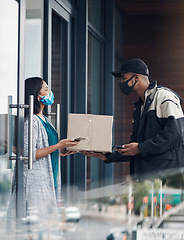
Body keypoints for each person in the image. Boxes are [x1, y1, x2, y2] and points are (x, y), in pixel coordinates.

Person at [82, 58, 184, 176]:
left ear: (136, 78)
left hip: (166, 179)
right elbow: (135, 149)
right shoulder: (139, 108)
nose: (121, 82)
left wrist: (141, 148)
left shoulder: (163, 96)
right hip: (145, 179)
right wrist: (106, 156)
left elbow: (176, 133)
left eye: (124, 78)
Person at [8, 77, 79, 218]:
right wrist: (59, 145)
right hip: (37, 184)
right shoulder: (32, 121)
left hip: (50, 181)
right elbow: (30, 154)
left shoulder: (46, 120)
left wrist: (63, 150)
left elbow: (48, 149)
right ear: (37, 96)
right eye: (46, 90)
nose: (50, 92)